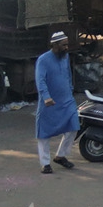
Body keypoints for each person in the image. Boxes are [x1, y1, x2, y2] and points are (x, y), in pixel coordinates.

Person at [34, 31, 79, 173]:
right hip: (49, 102)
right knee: (44, 133)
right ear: (55, 45)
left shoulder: (65, 57)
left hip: (66, 99)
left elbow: (67, 74)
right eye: (64, 45)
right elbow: (40, 80)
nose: (67, 47)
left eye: (67, 45)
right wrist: (46, 97)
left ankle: (60, 156)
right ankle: (45, 163)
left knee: (73, 127)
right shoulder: (43, 59)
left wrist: (71, 89)